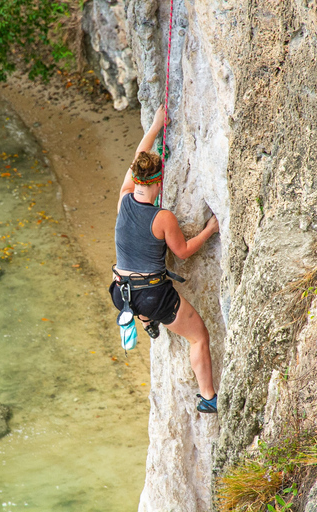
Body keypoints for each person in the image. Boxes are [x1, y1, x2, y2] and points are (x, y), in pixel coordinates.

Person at [109, 105, 220, 414]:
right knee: (198, 336)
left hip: (120, 292)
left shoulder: (123, 199)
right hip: (152, 295)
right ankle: (209, 398)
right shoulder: (162, 217)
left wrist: (156, 126)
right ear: (158, 182)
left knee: (144, 304)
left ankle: (148, 323)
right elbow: (182, 252)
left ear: (136, 179)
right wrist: (210, 230)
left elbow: (138, 157)